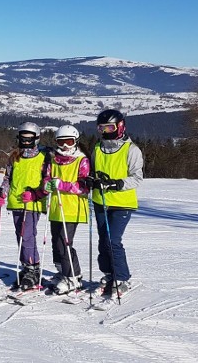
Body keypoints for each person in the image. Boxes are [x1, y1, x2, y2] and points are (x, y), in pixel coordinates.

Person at [89, 109, 143, 296]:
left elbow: (137, 177)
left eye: (110, 127)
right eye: (102, 128)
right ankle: (108, 274)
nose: (106, 131)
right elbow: (93, 170)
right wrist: (91, 180)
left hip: (122, 202)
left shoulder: (131, 150)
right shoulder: (98, 148)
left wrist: (117, 183)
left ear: (120, 126)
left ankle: (121, 277)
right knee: (103, 241)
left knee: (113, 241)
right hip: (100, 201)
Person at [0, 122, 49, 290]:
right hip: (16, 202)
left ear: (36, 139)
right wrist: (2, 193)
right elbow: (8, 178)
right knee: (21, 236)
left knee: (27, 236)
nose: (25, 142)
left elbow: (47, 182)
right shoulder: (14, 157)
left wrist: (37, 193)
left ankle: (33, 268)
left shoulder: (43, 157)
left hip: (32, 203)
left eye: (29, 139)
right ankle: (27, 267)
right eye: (22, 138)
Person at [42, 125, 91, 295]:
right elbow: (48, 177)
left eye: (69, 142)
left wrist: (62, 185)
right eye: (61, 142)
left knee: (65, 243)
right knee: (56, 243)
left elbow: (84, 187)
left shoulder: (81, 160)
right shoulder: (54, 159)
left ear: (75, 142)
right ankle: (63, 271)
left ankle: (73, 276)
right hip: (56, 207)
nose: (65, 146)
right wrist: (47, 185)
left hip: (73, 207)